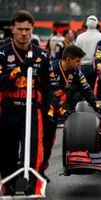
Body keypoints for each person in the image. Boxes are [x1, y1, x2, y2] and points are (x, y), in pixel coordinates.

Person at [0, 10, 51, 195]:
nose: (23, 33)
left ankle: (33, 188)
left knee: (35, 151)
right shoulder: (2, 53)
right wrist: (19, 70)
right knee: (6, 153)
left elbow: (48, 88)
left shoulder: (42, 55)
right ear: (12, 29)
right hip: (8, 109)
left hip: (32, 110)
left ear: (32, 29)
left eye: (27, 29)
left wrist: (50, 111)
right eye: (20, 29)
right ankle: (8, 187)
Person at [41, 45, 101, 182]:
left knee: (49, 141)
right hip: (41, 107)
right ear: (68, 59)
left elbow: (87, 90)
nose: (79, 64)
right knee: (39, 139)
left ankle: (41, 170)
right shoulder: (50, 69)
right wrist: (60, 110)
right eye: (77, 61)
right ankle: (33, 170)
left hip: (56, 108)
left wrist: (98, 107)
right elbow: (47, 95)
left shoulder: (76, 72)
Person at [75, 15, 101, 89]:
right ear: (97, 24)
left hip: (83, 67)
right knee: (95, 90)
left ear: (86, 24)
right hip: (97, 68)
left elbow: (76, 53)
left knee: (84, 90)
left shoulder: (80, 37)